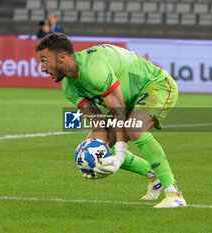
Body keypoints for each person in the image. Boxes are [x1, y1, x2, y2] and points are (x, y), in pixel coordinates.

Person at [35, 33, 186, 208]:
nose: (42, 68)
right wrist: (94, 155)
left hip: (156, 84)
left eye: (44, 60)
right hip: (129, 98)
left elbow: (119, 111)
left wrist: (120, 155)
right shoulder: (69, 88)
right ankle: (153, 175)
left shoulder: (94, 69)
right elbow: (98, 124)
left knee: (134, 128)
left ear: (62, 57)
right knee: (99, 143)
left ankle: (174, 194)